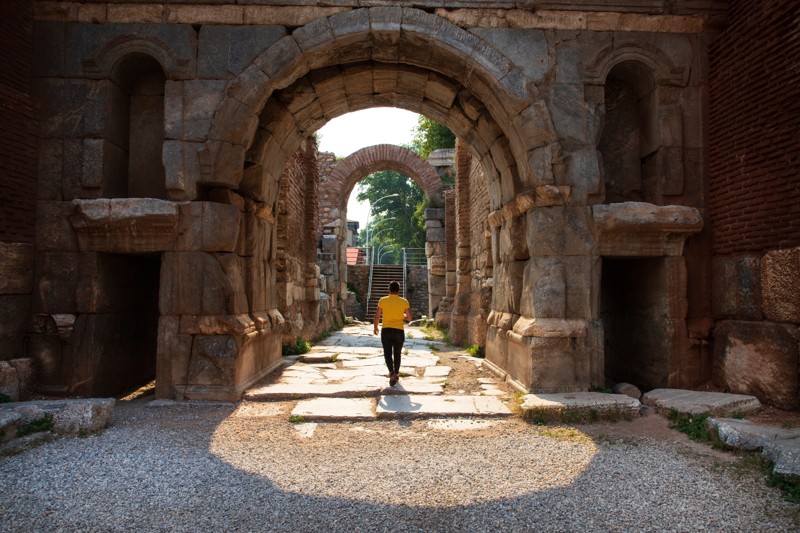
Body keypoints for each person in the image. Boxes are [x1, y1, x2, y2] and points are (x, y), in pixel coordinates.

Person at [373, 280, 412, 386]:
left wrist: (375, 327)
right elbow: (409, 318)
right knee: (397, 353)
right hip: (399, 330)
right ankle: (397, 373)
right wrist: (401, 316)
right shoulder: (404, 301)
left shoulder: (382, 300)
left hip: (386, 330)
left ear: (389, 290)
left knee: (387, 353)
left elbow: (377, 315)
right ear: (399, 291)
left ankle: (391, 372)